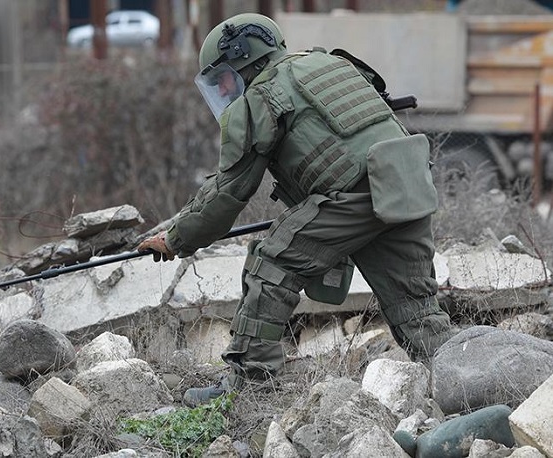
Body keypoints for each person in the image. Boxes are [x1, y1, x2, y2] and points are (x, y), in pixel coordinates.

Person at [137, 13, 457, 406]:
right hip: (405, 185)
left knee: (272, 262)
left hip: (358, 195)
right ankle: (468, 383)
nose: (221, 87)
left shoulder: (262, 96)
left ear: (244, 60)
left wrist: (175, 239)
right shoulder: (331, 63)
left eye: (222, 76)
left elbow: (228, 192)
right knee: (417, 309)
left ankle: (248, 387)